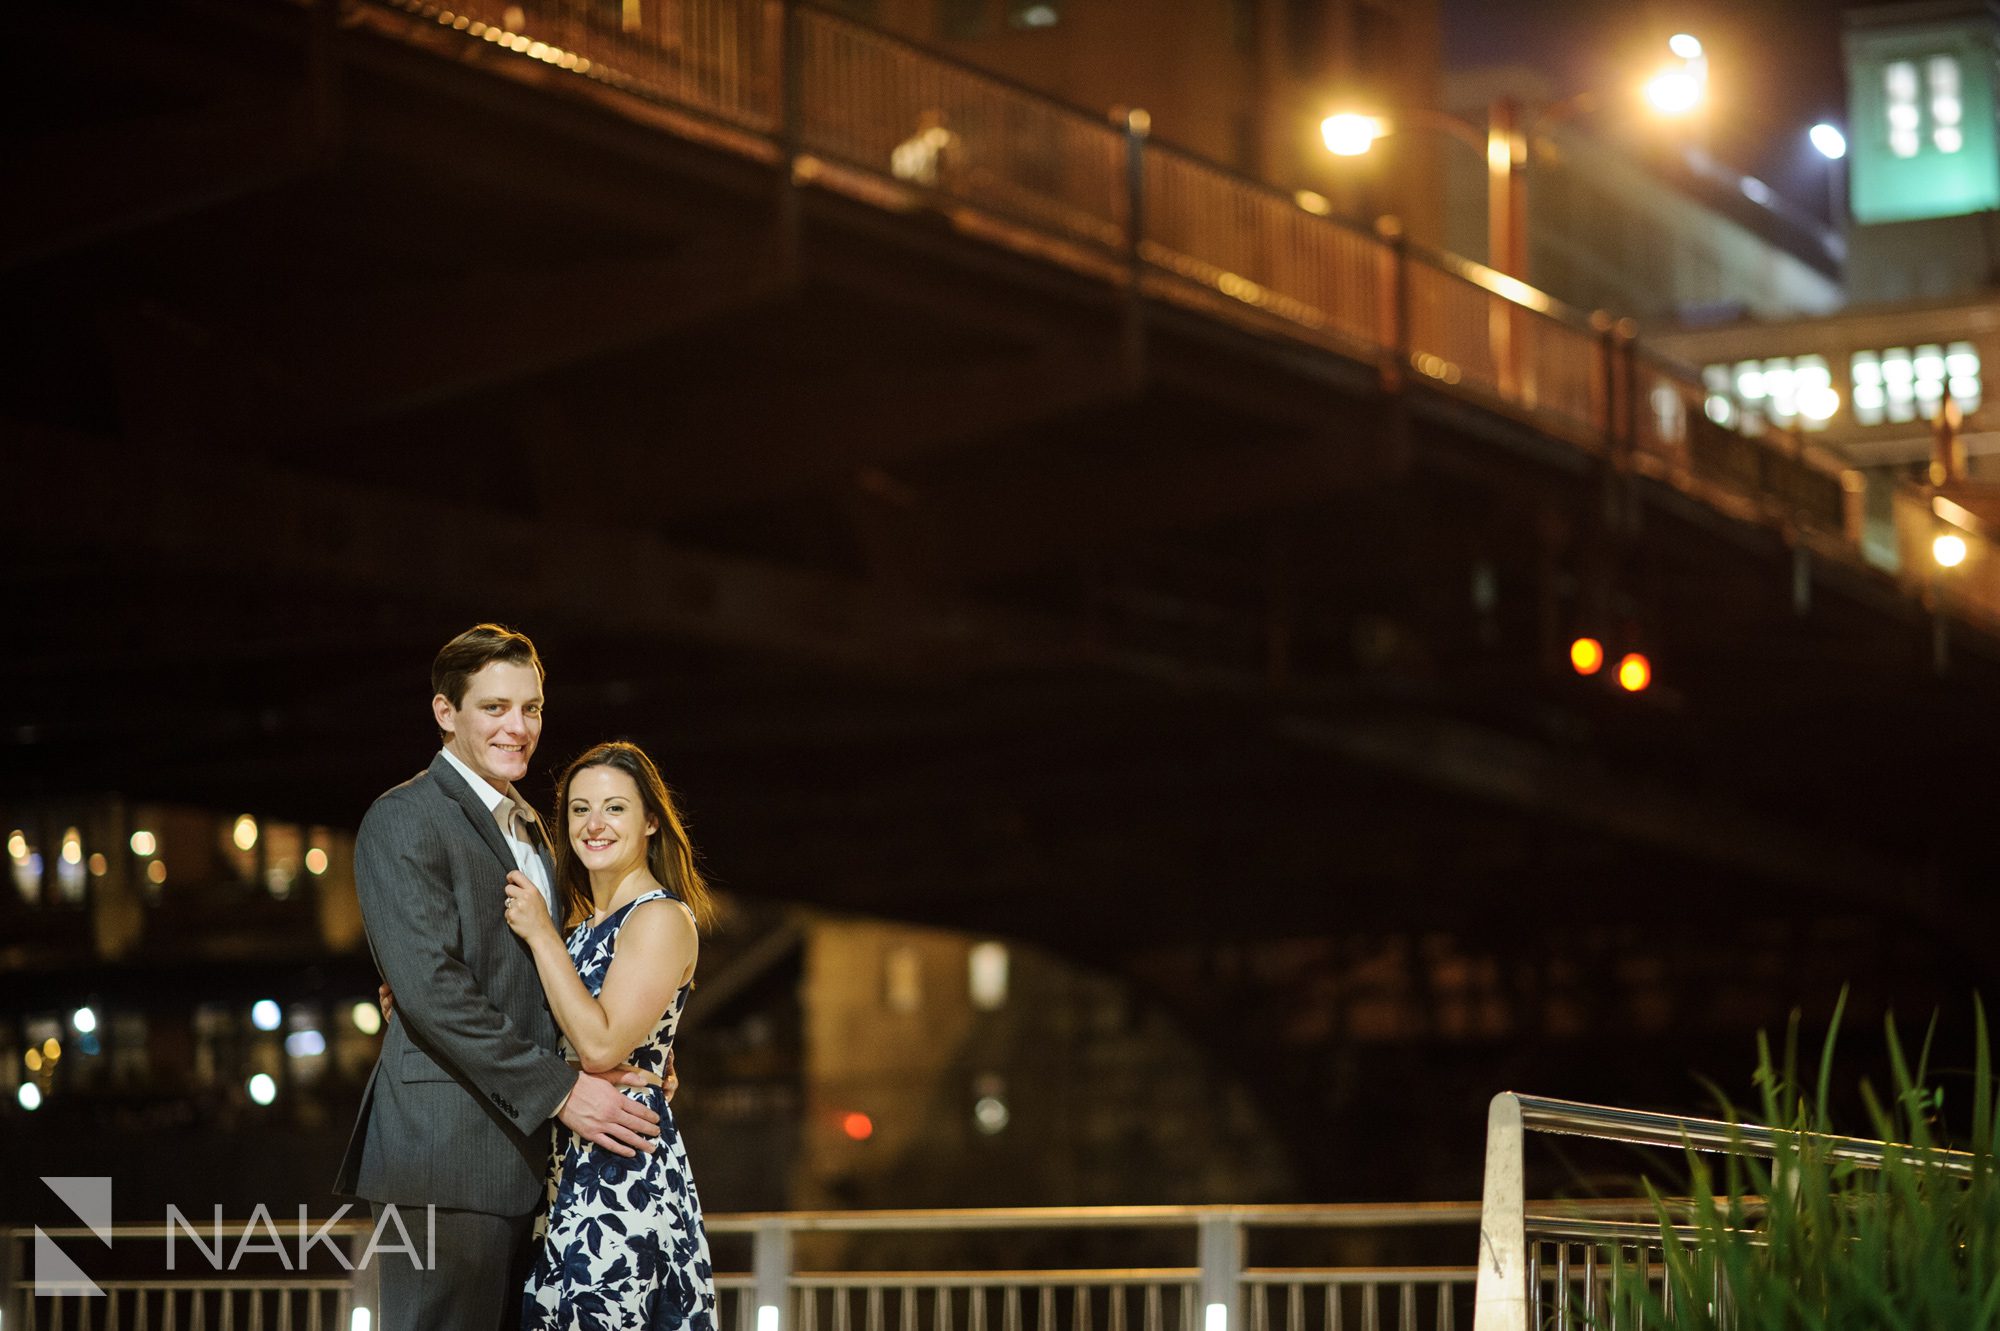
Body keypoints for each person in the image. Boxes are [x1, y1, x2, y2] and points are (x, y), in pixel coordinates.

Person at [334, 624, 666, 1331]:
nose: (518, 727)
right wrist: (564, 1087)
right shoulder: (404, 818)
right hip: (445, 1155)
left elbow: (543, 977)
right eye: (494, 707)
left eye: (532, 708)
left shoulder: (534, 831)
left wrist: (635, 1051)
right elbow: (433, 989)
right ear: (445, 713)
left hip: (530, 1156)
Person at [502, 740, 718, 1330]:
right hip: (564, 1162)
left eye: (615, 808)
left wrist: (541, 935)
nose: (593, 824)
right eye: (579, 809)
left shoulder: (659, 918)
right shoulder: (579, 931)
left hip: (621, 1175)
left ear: (651, 820)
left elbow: (599, 1046)